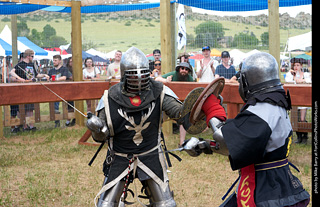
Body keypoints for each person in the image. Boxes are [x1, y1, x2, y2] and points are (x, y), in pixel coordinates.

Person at [184, 52, 310, 207]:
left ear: (247, 81)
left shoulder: (264, 108)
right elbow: (249, 139)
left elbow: (230, 141)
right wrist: (204, 146)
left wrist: (212, 110)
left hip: (268, 187)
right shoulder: (274, 101)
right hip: (275, 178)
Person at [86, 47, 185, 207]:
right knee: (106, 205)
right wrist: (97, 129)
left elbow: (180, 114)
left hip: (150, 154)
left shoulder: (159, 91)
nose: (138, 80)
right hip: (120, 157)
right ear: (125, 75)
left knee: (165, 205)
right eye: (133, 76)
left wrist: (200, 108)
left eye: (142, 75)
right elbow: (100, 137)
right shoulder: (109, 98)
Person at [9, 49, 50, 132]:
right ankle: (24, 126)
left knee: (30, 108)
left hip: (31, 89)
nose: (32, 57)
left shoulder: (32, 64)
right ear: (28, 56)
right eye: (32, 56)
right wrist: (20, 79)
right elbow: (12, 72)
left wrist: (44, 75)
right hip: (22, 89)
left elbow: (36, 75)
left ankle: (31, 125)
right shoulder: (20, 65)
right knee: (22, 109)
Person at [156, 62, 195, 146]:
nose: (184, 71)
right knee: (159, 118)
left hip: (182, 103)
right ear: (179, 69)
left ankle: (181, 143)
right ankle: (156, 139)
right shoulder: (173, 74)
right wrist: (165, 80)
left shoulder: (190, 79)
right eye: (182, 68)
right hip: (169, 102)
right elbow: (157, 79)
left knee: (184, 117)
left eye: (186, 69)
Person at [285, 57, 311, 144]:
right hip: (294, 99)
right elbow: (288, 81)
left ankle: (305, 135)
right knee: (295, 119)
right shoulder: (290, 75)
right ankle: (299, 137)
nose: (296, 67)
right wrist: (294, 77)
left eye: (298, 65)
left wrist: (300, 80)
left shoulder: (306, 74)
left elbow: (308, 81)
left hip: (303, 99)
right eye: (294, 65)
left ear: (301, 66)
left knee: (302, 119)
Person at [48, 54, 70, 128]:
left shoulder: (64, 69)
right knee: (55, 107)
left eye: (55, 60)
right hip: (54, 90)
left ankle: (68, 121)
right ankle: (57, 122)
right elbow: (48, 78)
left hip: (63, 90)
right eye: (53, 60)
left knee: (67, 106)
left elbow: (64, 77)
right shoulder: (51, 70)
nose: (54, 62)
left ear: (60, 61)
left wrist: (55, 79)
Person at [65, 57, 76, 127]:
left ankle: (75, 118)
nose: (72, 63)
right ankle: (69, 120)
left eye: (73, 61)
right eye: (70, 61)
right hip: (69, 89)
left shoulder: (77, 69)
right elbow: (71, 77)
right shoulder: (67, 69)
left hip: (76, 89)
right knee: (70, 106)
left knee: (77, 105)